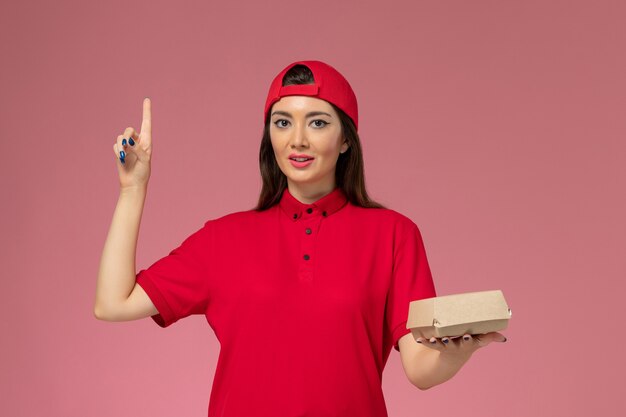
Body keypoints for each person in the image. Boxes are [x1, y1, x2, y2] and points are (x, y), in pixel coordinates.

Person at [94, 60, 507, 417]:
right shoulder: (224, 238)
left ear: (346, 139)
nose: (298, 140)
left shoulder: (393, 235)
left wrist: (458, 351)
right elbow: (113, 303)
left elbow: (418, 368)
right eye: (283, 122)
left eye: (318, 122)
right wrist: (133, 190)